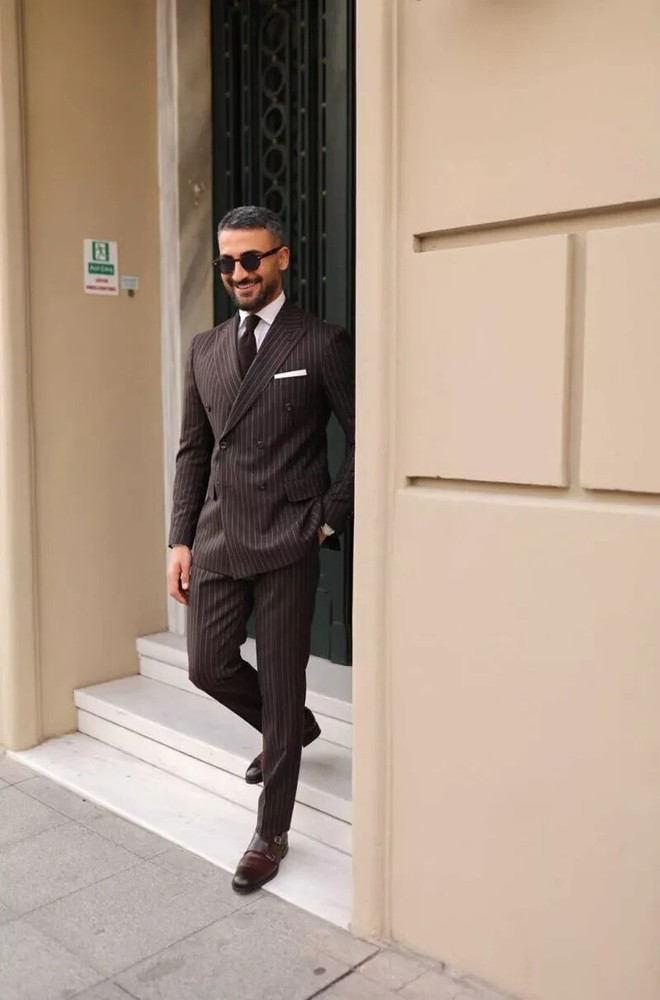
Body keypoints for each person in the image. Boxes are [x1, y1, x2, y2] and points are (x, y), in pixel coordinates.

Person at [167, 205, 355, 892]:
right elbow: (194, 450)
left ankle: (270, 832)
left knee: (279, 683)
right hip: (217, 535)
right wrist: (179, 538)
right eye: (227, 263)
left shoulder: (320, 342)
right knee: (207, 666)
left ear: (282, 258)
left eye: (251, 258)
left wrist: (325, 521)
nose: (238, 273)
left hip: (287, 538)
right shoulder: (206, 348)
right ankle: (294, 729)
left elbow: (367, 436)